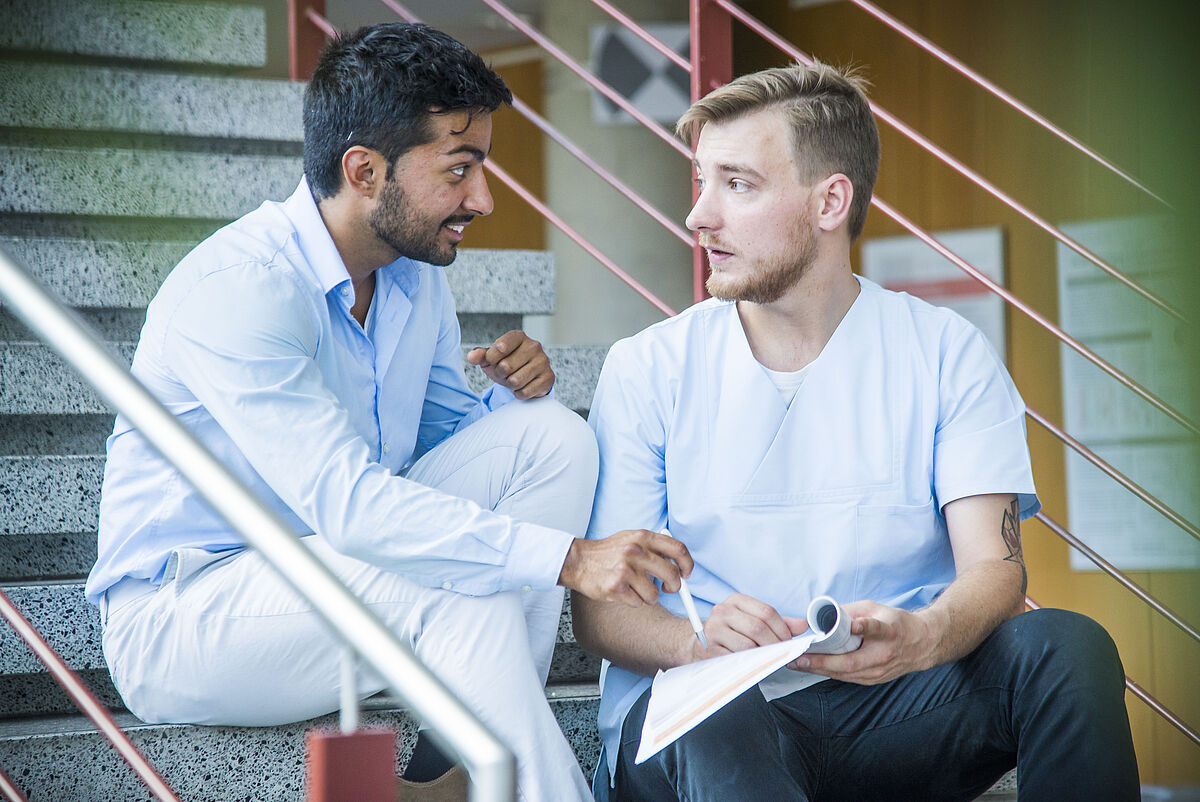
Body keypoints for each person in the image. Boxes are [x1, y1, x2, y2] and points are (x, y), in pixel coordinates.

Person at [85, 22, 690, 801]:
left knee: (553, 439)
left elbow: (442, 448)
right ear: (364, 170)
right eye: (459, 169)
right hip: (188, 616)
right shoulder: (241, 287)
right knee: (445, 586)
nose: (484, 198)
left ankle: (452, 761)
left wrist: (509, 397)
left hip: (338, 574)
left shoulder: (412, 276)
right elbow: (350, 507)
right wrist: (572, 559)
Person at [574, 62, 1140, 801]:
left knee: (1067, 645)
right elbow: (600, 611)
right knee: (717, 703)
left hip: (894, 706)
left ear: (830, 201)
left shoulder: (944, 351)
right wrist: (694, 642)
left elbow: (995, 569)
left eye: (737, 184)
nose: (699, 216)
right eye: (701, 182)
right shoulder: (647, 367)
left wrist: (927, 636)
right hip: (698, 723)